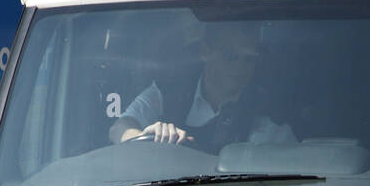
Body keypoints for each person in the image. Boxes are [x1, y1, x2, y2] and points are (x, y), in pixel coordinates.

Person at [108, 22, 294, 150]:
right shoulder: (169, 89)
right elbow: (119, 128)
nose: (240, 66)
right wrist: (149, 140)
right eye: (230, 56)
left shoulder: (270, 117)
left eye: (249, 59)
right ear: (205, 52)